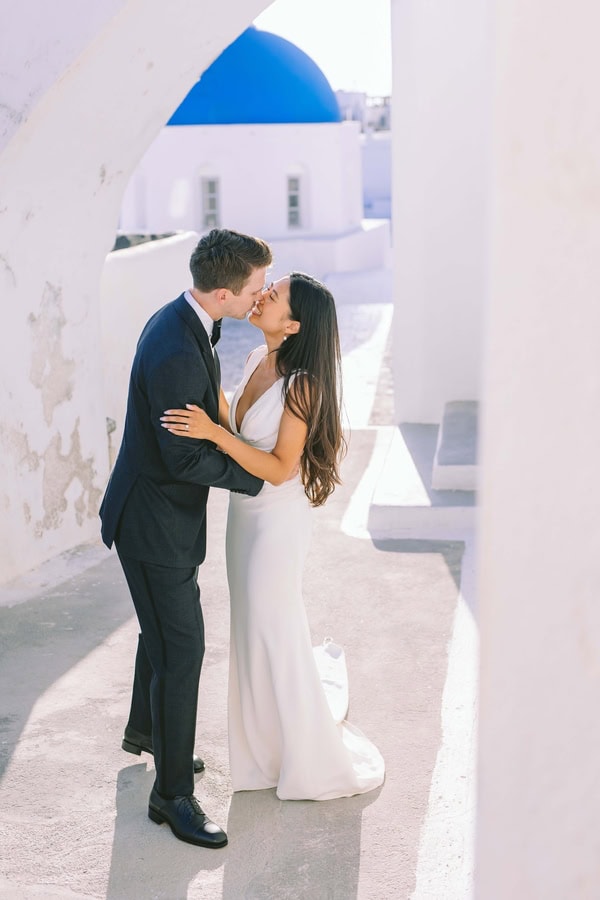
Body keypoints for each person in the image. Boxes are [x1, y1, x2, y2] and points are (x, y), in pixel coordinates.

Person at [161, 272, 385, 800]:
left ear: (293, 323)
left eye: (274, 293)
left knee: (274, 626)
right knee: (251, 626)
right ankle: (264, 748)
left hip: (279, 521)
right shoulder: (254, 362)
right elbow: (232, 417)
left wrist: (214, 434)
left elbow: (282, 467)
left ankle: (300, 753)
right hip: (244, 518)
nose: (261, 295)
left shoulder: (302, 383)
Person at [99, 228, 272, 847]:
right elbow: (182, 459)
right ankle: (170, 795)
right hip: (153, 525)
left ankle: (147, 733)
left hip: (156, 518)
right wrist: (256, 476)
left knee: (163, 636)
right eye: (254, 289)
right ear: (223, 291)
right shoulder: (177, 344)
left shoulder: (184, 317)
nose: (259, 298)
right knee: (183, 650)